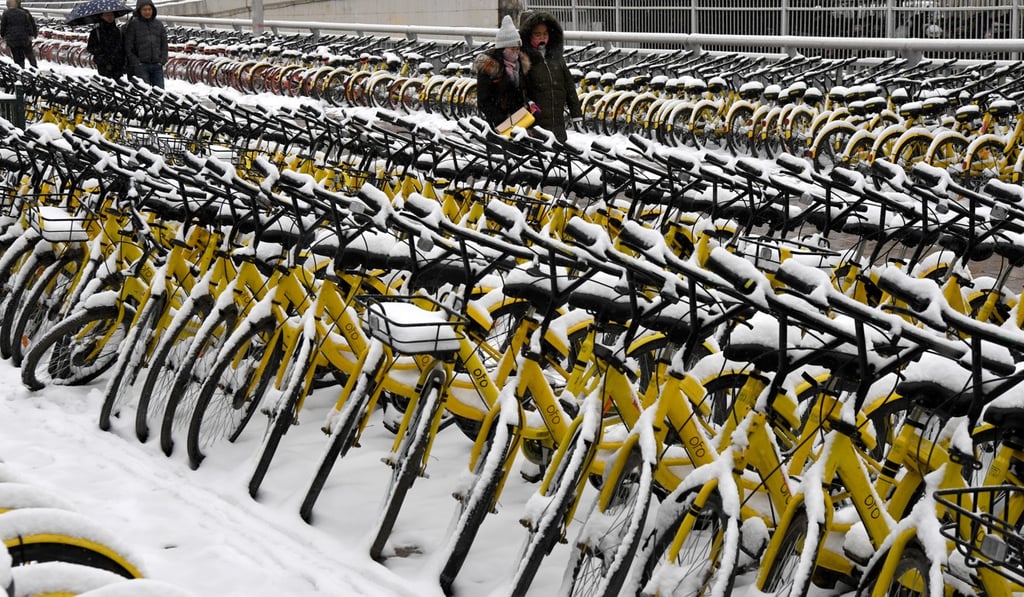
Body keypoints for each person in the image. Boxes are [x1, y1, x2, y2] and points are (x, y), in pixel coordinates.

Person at [518, 11, 582, 143]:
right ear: (528, 36)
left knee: (558, 154)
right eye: (537, 34)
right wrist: (528, 103)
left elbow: (569, 85)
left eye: (545, 34)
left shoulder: (556, 57)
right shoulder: (523, 59)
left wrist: (576, 113)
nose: (542, 37)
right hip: (535, 123)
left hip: (557, 123)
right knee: (540, 157)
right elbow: (519, 88)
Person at [473, 15, 532, 131]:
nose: (516, 52)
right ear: (502, 49)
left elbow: (523, 92)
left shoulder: (520, 65)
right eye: (512, 49)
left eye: (517, 49)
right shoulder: (489, 67)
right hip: (498, 123)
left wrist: (529, 105)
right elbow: (484, 100)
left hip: (520, 121)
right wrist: (501, 120)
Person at [123, 0, 167, 88]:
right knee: (145, 93)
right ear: (139, 10)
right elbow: (128, 46)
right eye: (144, 10)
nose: (147, 12)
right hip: (141, 66)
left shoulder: (158, 25)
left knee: (160, 93)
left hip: (157, 65)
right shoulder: (133, 25)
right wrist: (136, 63)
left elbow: (164, 44)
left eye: (149, 9)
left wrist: (162, 60)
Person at [86, 12, 126, 79]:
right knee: (107, 85)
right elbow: (90, 48)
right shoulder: (96, 32)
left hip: (118, 65)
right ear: (101, 17)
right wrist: (102, 50)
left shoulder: (118, 31)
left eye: (111, 15)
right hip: (104, 65)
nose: (110, 17)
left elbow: (123, 47)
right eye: (107, 15)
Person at [0, 0, 37, 69]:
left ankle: (20, 68)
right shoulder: (24, 12)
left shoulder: (6, 13)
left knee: (17, 55)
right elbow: (29, 25)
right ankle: (35, 68)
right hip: (24, 38)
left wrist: (2, 35)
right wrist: (32, 34)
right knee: (29, 53)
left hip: (12, 38)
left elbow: (3, 26)